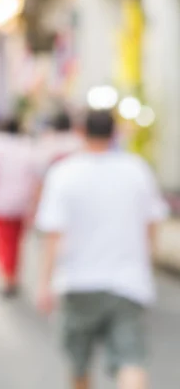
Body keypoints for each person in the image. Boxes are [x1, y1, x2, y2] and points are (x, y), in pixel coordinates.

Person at [36, 111, 168, 389]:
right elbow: (153, 224)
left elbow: (52, 235)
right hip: (128, 282)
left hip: (78, 282)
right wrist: (147, 263)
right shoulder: (137, 169)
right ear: (114, 133)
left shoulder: (64, 173)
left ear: (82, 132)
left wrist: (44, 283)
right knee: (131, 360)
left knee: (79, 365)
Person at [0, 118, 37, 297]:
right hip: (22, 203)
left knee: (4, 242)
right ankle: (12, 276)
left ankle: (7, 278)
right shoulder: (27, 147)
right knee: (15, 242)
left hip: (0, 203)